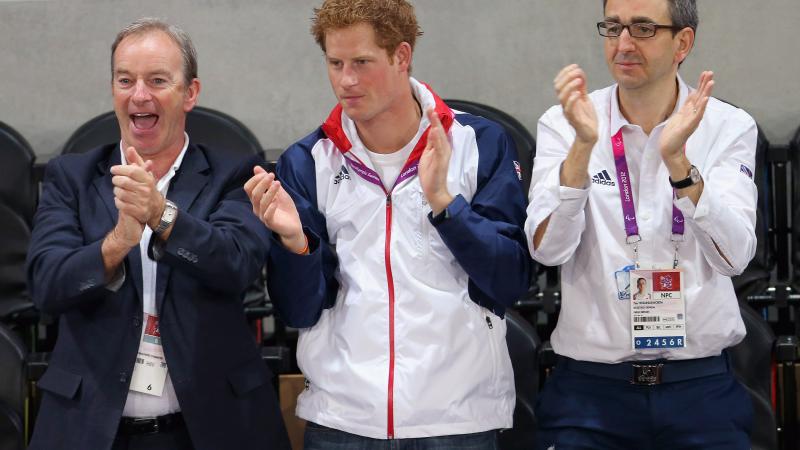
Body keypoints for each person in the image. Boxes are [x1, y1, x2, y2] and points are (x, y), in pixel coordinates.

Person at [245, 0, 531, 447]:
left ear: (401, 56)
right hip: (341, 421)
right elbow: (299, 312)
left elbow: (510, 280)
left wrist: (444, 204)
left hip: (457, 421)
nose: (346, 80)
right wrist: (297, 243)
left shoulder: (480, 143)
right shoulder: (309, 160)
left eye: (362, 62)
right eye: (335, 63)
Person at [26, 18, 290, 450]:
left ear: (190, 93)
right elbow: (46, 285)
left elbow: (235, 266)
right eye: (125, 79)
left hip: (213, 425)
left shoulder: (234, 173)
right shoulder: (71, 177)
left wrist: (160, 215)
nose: (139, 95)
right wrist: (117, 242)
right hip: (92, 428)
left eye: (157, 80)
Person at [526, 0, 757, 448]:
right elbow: (546, 250)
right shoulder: (566, 124)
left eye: (644, 28)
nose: (623, 44)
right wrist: (582, 149)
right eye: (613, 28)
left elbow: (735, 257)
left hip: (700, 388)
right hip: (590, 391)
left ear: (682, 43)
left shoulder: (727, 126)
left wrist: (678, 162)